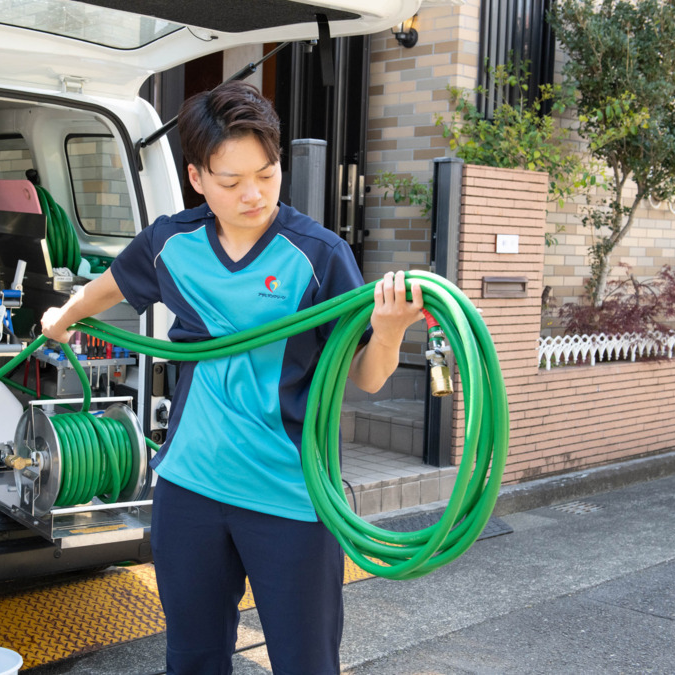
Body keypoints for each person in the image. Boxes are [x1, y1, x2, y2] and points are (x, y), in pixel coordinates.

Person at [41, 80, 423, 674]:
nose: (254, 194)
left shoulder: (317, 255)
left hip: (291, 496)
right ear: (197, 178)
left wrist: (392, 328)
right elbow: (109, 285)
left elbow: (368, 376)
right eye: (231, 181)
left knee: (306, 663)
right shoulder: (173, 243)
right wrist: (62, 317)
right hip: (189, 489)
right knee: (192, 660)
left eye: (266, 175)